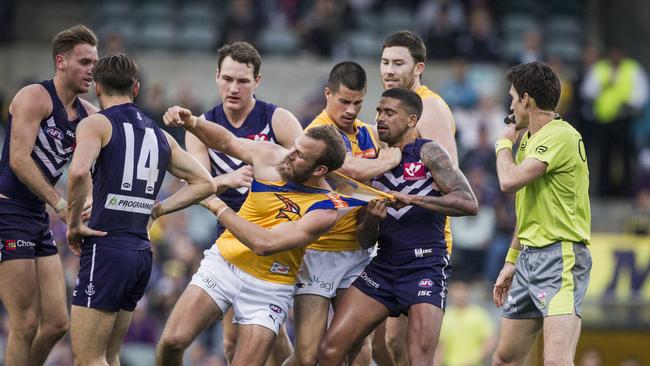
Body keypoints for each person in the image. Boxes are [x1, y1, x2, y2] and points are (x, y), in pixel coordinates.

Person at [156, 108, 366, 366]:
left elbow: (264, 244)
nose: (290, 154)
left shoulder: (325, 209)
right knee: (172, 341)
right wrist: (193, 122)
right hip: (224, 263)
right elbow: (226, 141)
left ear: (320, 169)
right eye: (294, 147)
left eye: (300, 155)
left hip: (269, 287)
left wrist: (216, 206)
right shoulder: (271, 155)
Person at [65, 53, 216, 366]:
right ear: (136, 89)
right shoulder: (159, 134)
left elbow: (78, 172)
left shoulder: (96, 123)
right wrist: (157, 210)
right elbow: (206, 183)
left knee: (87, 358)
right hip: (141, 254)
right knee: (110, 355)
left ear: (96, 88)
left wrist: (73, 224)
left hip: (107, 248)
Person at [318, 87, 478, 366]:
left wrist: (413, 199)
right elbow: (365, 240)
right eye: (379, 111)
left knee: (419, 359)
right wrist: (372, 218)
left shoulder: (429, 151)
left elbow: (468, 202)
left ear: (412, 120)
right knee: (330, 350)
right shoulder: (373, 164)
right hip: (384, 267)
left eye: (390, 113)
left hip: (425, 266)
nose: (380, 118)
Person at [185, 41, 303, 365]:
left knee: (267, 330)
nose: (234, 88)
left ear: (258, 81)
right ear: (217, 77)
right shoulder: (201, 128)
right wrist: (228, 180)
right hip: (230, 233)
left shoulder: (277, 119)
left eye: (243, 81)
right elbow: (199, 185)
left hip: (275, 235)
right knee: (232, 339)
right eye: (228, 79)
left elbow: (310, 172)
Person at [286, 61, 401, 366]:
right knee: (307, 356)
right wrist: (391, 158)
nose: (351, 110)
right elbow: (349, 171)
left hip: (357, 253)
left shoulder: (368, 134)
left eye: (358, 102)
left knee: (358, 351)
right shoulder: (315, 134)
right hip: (318, 253)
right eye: (344, 101)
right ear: (327, 94)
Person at [0, 24, 98, 366]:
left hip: (36, 217)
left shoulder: (87, 114)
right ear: (61, 61)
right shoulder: (34, 97)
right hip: (8, 213)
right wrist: (59, 202)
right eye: (84, 62)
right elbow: (18, 160)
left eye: (94, 63)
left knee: (57, 323)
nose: (91, 70)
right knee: (24, 323)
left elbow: (118, 136)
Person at [492, 61, 592, 366]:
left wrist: (502, 145)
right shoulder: (531, 142)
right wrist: (511, 261)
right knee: (505, 358)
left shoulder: (559, 135)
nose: (510, 106)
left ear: (526, 99)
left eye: (512, 98)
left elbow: (508, 182)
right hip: (528, 259)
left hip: (560, 258)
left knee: (556, 362)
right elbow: (528, 210)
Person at [376, 29, 459, 365]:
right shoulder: (392, 107)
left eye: (399, 63)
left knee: (406, 344)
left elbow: (450, 176)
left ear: (419, 67)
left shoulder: (430, 106)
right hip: (392, 235)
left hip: (425, 239)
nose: (389, 70)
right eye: (384, 62)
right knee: (386, 344)